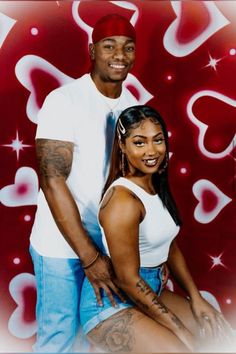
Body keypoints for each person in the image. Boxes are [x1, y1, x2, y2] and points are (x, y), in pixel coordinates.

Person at [79, 105, 233, 353]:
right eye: (139, 143)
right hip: (111, 304)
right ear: (123, 145)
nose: (152, 151)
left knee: (217, 337)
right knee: (184, 348)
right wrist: (180, 330)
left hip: (152, 289)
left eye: (158, 140)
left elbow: (168, 245)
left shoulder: (154, 185)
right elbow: (127, 280)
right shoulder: (123, 201)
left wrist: (196, 297)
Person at [29, 14, 139, 353]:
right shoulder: (64, 101)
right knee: (59, 338)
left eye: (128, 47)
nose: (119, 55)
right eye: (109, 46)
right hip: (61, 246)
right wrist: (90, 258)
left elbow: (137, 186)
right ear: (92, 50)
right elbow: (52, 180)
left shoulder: (133, 108)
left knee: (99, 338)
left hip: (109, 245)